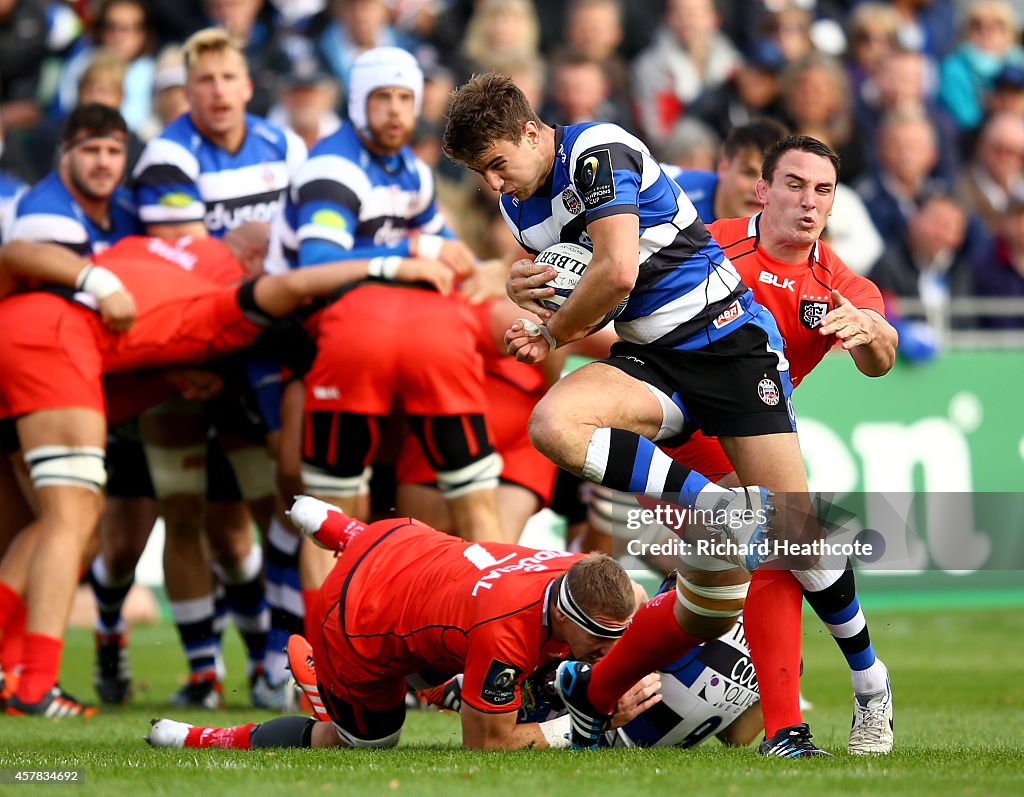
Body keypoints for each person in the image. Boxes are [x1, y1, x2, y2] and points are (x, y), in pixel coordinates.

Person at [442, 72, 822, 752]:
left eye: (498, 164)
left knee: (793, 538)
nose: (495, 184)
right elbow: (572, 283)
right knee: (554, 424)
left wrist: (550, 330)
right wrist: (522, 286)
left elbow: (615, 270)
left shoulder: (598, 150)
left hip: (725, 344)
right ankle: (702, 519)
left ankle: (854, 689)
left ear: (532, 131)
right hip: (654, 362)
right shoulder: (517, 206)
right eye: (480, 174)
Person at [0, 225, 453, 718]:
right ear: (255, 258)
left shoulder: (143, 247)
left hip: (19, 329)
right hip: (54, 344)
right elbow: (296, 284)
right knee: (74, 516)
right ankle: (36, 687)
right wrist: (394, 262)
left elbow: (31, 260)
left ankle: (9, 668)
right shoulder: (222, 296)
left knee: (44, 528)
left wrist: (109, 296)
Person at [145, 495, 654, 750]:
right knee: (368, 743)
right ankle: (199, 736)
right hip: (355, 616)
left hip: (399, 542)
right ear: (564, 612)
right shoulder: (507, 633)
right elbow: (490, 743)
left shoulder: (595, 581)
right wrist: (588, 726)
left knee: (521, 682)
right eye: (600, 637)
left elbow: (632, 599)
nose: (610, 647)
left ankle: (343, 530)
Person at [132, 26, 307, 708]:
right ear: (187, 88)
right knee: (181, 508)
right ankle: (204, 670)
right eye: (204, 80)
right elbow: (181, 269)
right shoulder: (167, 156)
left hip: (254, 349)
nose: (218, 91)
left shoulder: (284, 146)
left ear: (247, 84)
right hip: (184, 354)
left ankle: (270, 655)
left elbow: (287, 250)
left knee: (277, 499)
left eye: (228, 77)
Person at [290, 46, 502, 551]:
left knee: (336, 507)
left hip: (383, 340)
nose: (395, 110)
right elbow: (316, 264)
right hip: (304, 338)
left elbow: (444, 251)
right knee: (306, 501)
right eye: (382, 97)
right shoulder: (332, 167)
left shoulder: (410, 169)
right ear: (358, 101)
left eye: (405, 98)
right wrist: (405, 252)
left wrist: (464, 261)